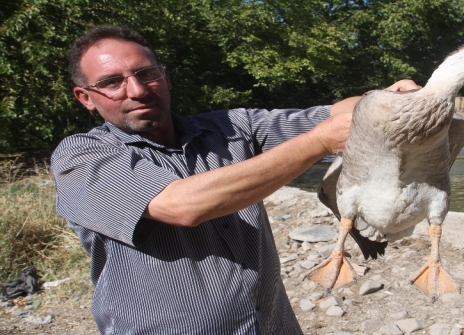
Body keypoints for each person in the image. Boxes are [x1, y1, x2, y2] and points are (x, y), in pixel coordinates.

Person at [51, 25, 420, 334]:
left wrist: (389, 100)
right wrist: (320, 140)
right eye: (112, 82)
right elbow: (181, 205)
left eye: (146, 74)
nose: (137, 90)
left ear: (165, 77)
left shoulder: (231, 127)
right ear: (85, 97)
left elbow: (328, 114)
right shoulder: (80, 157)